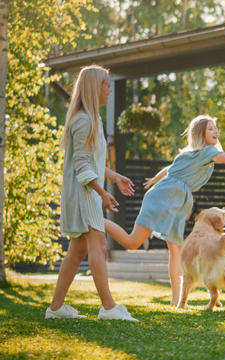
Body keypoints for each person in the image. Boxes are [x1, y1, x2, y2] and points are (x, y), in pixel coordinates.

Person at [104, 115, 225, 306]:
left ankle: (177, 299)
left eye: (215, 128)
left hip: (174, 201)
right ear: (200, 133)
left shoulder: (192, 154)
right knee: (132, 242)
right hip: (164, 199)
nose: (216, 131)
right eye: (211, 128)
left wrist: (155, 179)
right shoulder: (206, 151)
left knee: (176, 251)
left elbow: (170, 168)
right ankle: (99, 221)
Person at [47, 65, 138, 321]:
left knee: (77, 251)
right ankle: (108, 308)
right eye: (107, 84)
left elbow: (94, 163)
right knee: (98, 244)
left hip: (88, 192)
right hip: (83, 194)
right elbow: (82, 167)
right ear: (93, 88)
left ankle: (55, 309)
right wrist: (103, 193)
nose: (110, 89)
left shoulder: (94, 119)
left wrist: (115, 176)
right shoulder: (84, 120)